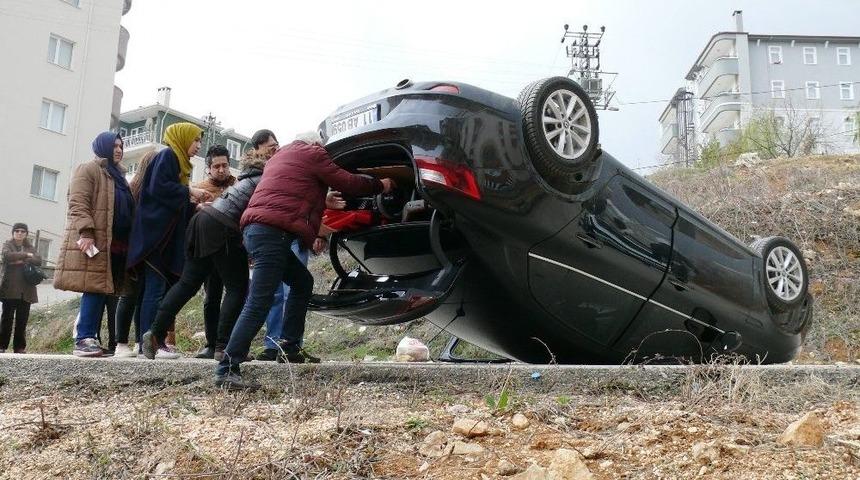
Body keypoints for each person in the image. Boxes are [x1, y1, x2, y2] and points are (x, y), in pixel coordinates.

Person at [215, 131, 395, 390]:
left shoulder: (281, 157)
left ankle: (289, 347)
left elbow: (293, 191)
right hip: (271, 233)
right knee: (258, 302)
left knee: (301, 282)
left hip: (258, 230)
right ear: (316, 144)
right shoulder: (312, 152)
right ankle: (227, 369)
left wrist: (321, 207)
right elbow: (348, 182)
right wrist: (381, 185)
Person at [141, 141, 269, 360]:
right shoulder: (263, 182)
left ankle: (155, 331)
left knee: (187, 284)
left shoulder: (241, 182)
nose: (222, 169)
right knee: (237, 288)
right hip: (223, 229)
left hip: (201, 224)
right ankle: (224, 346)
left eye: (225, 165)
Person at [127, 123, 211, 360]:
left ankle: (147, 341)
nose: (197, 147)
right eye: (195, 141)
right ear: (183, 138)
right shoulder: (168, 156)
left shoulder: (179, 163)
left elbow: (171, 199)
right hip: (156, 239)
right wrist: (190, 192)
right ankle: (151, 341)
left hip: (162, 238)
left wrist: (195, 205)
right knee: (154, 290)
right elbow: (159, 189)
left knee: (153, 291)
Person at [54, 132, 134, 357]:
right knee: (94, 287)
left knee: (107, 290)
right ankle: (84, 339)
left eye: (121, 146)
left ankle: (95, 340)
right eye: (115, 145)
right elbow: (78, 202)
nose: (118, 149)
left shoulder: (118, 176)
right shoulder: (88, 169)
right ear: (103, 147)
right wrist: (87, 231)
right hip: (95, 239)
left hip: (116, 244)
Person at [191, 145, 237, 359]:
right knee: (212, 297)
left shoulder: (238, 186)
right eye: (216, 166)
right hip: (209, 252)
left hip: (234, 249)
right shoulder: (199, 189)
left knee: (237, 295)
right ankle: (212, 343)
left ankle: (230, 343)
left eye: (225, 165)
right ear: (208, 168)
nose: (221, 170)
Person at [112, 150, 157, 357]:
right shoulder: (133, 189)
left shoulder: (154, 189)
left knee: (141, 297)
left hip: (146, 250)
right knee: (129, 295)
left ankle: (140, 342)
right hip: (131, 249)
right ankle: (121, 343)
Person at [0, 223, 42, 353]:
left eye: (22, 231)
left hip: (27, 290)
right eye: (17, 231)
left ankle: (19, 347)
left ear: (26, 234)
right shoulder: (7, 244)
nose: (19, 233)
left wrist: (20, 259)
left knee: (22, 320)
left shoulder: (31, 246)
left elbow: (38, 260)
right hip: (9, 289)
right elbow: (7, 256)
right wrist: (27, 256)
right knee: (6, 319)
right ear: (13, 232)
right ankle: (1, 346)